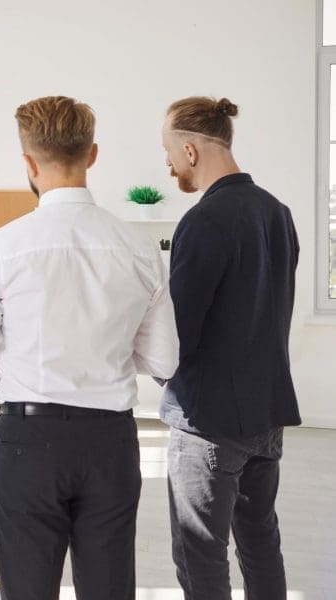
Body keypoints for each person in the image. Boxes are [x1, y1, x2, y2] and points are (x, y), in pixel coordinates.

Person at [0, 95, 180, 600]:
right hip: (110, 443)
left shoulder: (2, 246)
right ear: (92, 155)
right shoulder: (138, 248)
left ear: (28, 163)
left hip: (27, 442)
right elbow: (164, 360)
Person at [160, 96, 301, 600]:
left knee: (200, 553)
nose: (169, 162)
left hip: (209, 422)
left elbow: (179, 332)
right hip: (266, 415)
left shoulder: (203, 220)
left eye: (170, 150)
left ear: (192, 150)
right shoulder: (277, 213)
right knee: (261, 542)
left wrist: (160, 373)